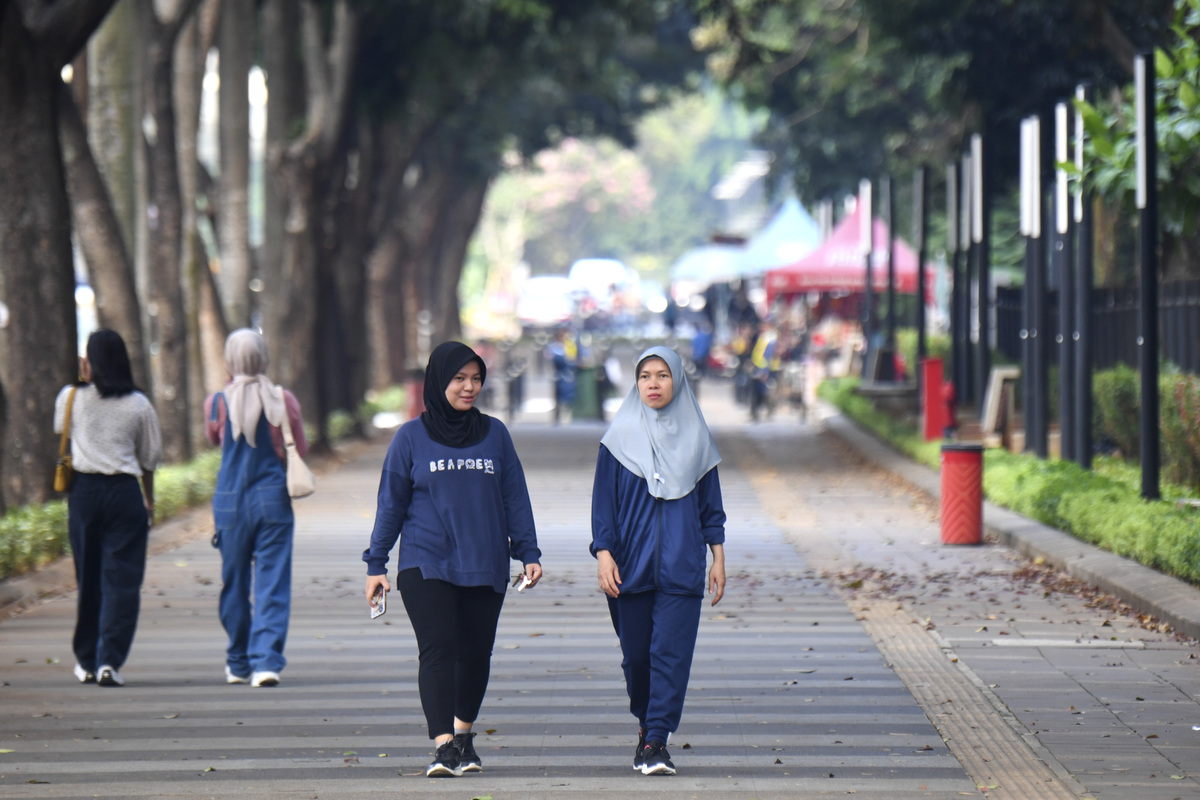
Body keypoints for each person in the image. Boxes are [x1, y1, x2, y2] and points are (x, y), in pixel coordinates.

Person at [363, 341, 543, 778]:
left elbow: (514, 495)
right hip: (427, 562)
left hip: (485, 559)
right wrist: (376, 564)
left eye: (476, 379)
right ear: (439, 381)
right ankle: (443, 745)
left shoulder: (496, 433)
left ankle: (463, 735)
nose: (469, 387)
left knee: (476, 653)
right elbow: (391, 504)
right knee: (438, 650)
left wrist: (528, 551)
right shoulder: (410, 437)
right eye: (459, 379)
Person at [590, 345, 727, 776]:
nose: (653, 383)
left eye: (663, 375)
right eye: (645, 375)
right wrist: (604, 554)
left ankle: (656, 739)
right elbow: (603, 507)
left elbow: (711, 508)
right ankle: (646, 724)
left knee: (671, 654)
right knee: (637, 659)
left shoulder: (697, 438)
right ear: (636, 382)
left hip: (681, 568)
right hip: (630, 567)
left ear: (677, 381)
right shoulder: (616, 441)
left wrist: (717, 558)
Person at [54, 329, 163, 687]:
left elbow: (62, 430)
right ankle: (108, 662)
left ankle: (85, 660)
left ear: (90, 361)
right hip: (124, 492)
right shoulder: (139, 404)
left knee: (89, 578)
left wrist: (85, 379)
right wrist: (149, 499)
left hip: (84, 494)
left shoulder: (71, 397)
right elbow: (150, 459)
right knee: (122, 581)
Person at [204, 329, 308, 688]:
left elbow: (215, 438)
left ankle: (237, 661)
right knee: (272, 581)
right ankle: (266, 661)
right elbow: (301, 449)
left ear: (230, 360)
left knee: (234, 582)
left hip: (229, 502)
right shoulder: (282, 399)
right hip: (273, 498)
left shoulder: (217, 402)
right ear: (263, 356)